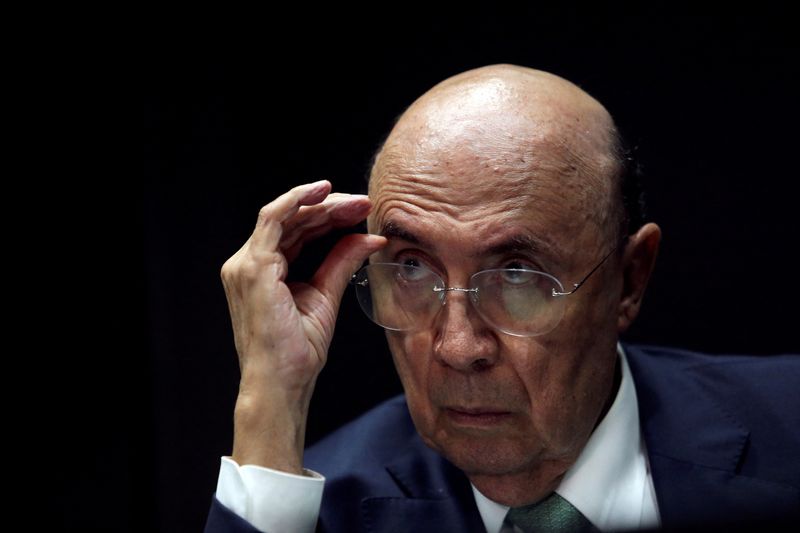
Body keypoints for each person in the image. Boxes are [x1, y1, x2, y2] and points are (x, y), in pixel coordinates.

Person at [205, 65, 799, 532]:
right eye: (411, 266)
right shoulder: (313, 508)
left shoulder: (788, 430)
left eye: (517, 274)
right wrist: (272, 400)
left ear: (630, 277)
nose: (459, 348)